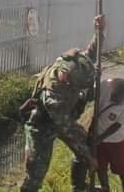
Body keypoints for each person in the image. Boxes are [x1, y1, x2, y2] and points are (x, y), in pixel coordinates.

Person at [19, 16, 105, 192]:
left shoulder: (73, 64)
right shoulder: (53, 96)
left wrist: (99, 31)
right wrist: (89, 157)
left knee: (86, 146)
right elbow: (68, 129)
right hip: (41, 127)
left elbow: (90, 54)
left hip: (64, 120)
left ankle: (79, 187)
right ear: (68, 81)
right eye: (79, 87)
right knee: (36, 172)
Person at [92, 78, 124, 192]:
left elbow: (117, 125)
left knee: (122, 167)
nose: (112, 99)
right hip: (99, 136)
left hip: (116, 140)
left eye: (116, 97)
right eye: (112, 95)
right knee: (101, 167)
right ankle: (105, 188)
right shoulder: (105, 87)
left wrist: (99, 139)